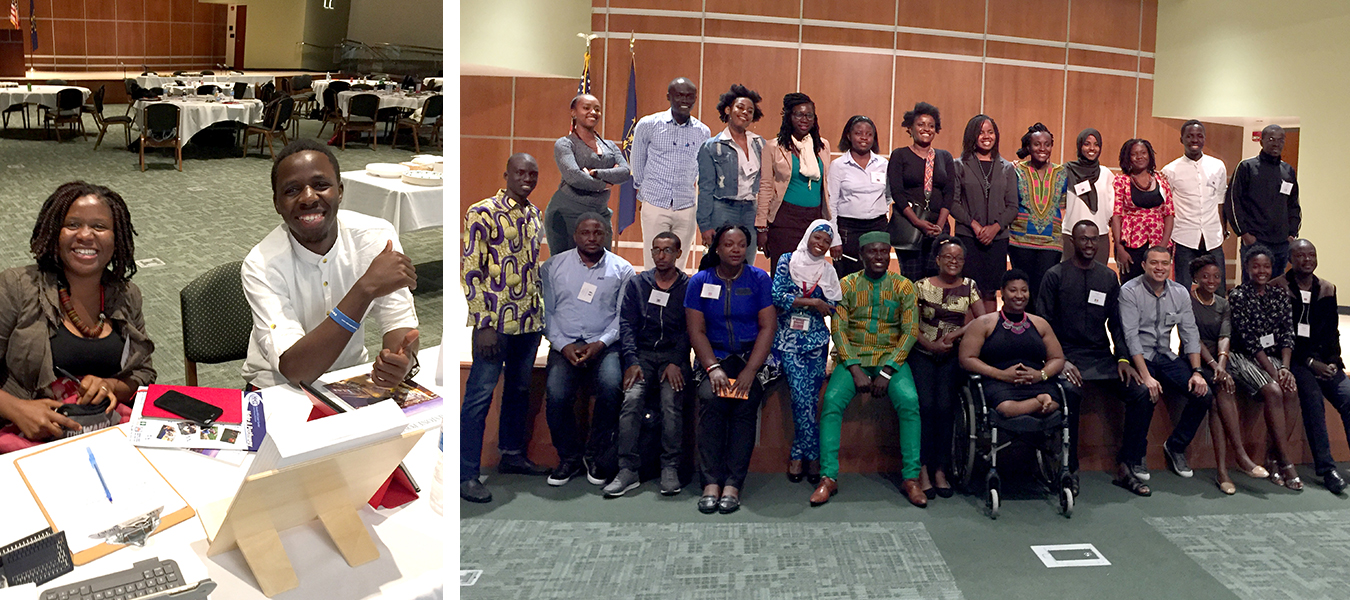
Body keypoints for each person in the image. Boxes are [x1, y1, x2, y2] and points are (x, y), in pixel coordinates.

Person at [242, 139, 419, 392]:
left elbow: (398, 321)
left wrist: (401, 361)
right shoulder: (261, 264)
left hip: (350, 380)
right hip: (277, 388)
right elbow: (296, 371)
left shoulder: (376, 237)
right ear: (277, 204)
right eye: (292, 190)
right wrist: (364, 288)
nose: (308, 197)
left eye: (321, 185)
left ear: (341, 191)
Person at [0, 182, 154, 452]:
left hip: (105, 436)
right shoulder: (17, 286)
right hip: (29, 443)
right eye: (72, 225)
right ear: (53, 232)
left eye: (99, 227)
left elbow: (143, 373)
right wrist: (17, 409)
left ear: (116, 238)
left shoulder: (127, 295)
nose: (85, 235)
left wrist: (110, 386)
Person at [810, 231, 926, 508]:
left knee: (910, 402)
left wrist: (887, 372)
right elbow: (838, 329)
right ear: (861, 255)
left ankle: (911, 478)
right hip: (855, 359)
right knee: (831, 403)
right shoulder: (847, 285)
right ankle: (828, 477)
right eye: (872, 252)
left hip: (891, 359)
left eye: (884, 252)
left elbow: (909, 332)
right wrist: (853, 367)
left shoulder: (904, 286)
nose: (879, 257)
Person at [460, 153, 550, 504]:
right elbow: (470, 270)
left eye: (533, 173)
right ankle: (467, 473)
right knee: (478, 398)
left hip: (528, 322)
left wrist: (540, 317)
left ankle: (511, 454)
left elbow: (531, 266)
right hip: (494, 324)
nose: (527, 178)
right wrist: (482, 323)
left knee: (519, 390)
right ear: (506, 174)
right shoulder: (481, 211)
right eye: (520, 172)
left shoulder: (534, 213)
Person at [1038, 220, 1151, 495]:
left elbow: (1117, 324)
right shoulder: (1055, 275)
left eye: (1094, 239)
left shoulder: (1107, 277)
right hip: (1066, 357)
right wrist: (1059, 361)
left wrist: (1123, 359)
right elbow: (1043, 325)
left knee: (1141, 393)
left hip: (1101, 356)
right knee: (1071, 394)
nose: (1089, 244)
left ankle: (1128, 465)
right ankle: (1071, 468)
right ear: (1073, 242)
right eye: (1083, 239)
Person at [686, 224, 777, 514]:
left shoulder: (760, 279)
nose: (736, 249)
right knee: (711, 401)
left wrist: (751, 370)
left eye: (741, 244)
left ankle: (734, 484)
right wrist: (712, 367)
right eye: (729, 244)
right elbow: (696, 331)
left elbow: (767, 327)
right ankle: (711, 482)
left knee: (745, 405)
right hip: (714, 356)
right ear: (717, 248)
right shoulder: (699, 281)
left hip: (753, 357)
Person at [541, 213, 634, 487]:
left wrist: (600, 343)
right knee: (556, 395)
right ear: (575, 236)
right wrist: (562, 345)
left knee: (611, 386)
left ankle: (596, 454)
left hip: (604, 345)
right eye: (585, 232)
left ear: (606, 235)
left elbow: (623, 317)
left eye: (597, 232)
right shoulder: (553, 267)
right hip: (564, 344)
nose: (591, 238)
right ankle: (569, 457)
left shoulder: (622, 269)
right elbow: (546, 313)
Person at [1118, 246, 1214, 486]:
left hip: (1166, 355)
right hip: (1140, 356)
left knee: (1203, 394)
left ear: (1170, 264)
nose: (1159, 268)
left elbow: (1190, 333)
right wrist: (1146, 376)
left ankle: (1175, 446)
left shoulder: (1180, 292)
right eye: (1154, 263)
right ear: (1144, 265)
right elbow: (1130, 337)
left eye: (1164, 263)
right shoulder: (1129, 291)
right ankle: (1136, 455)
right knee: (1143, 393)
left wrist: (1197, 372)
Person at [605, 231, 690, 498]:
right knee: (632, 399)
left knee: (670, 402)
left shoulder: (688, 286)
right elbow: (627, 324)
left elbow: (691, 329)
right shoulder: (638, 284)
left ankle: (670, 467)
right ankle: (627, 468)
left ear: (678, 253)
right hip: (641, 355)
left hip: (672, 359)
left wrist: (677, 361)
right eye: (656, 250)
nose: (661, 255)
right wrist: (630, 361)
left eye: (667, 250)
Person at [911, 236, 984, 498]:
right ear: (938, 260)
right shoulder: (920, 286)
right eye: (948, 257)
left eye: (959, 258)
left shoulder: (969, 286)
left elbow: (983, 321)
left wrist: (954, 336)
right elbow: (910, 325)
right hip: (922, 353)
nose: (953, 262)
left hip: (953, 357)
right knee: (925, 407)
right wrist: (931, 346)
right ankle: (922, 469)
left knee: (945, 408)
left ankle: (940, 469)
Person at [1189, 255, 1268, 495]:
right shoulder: (1188, 301)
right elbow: (1193, 337)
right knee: (1218, 393)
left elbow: (1225, 336)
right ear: (1195, 278)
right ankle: (1239, 458)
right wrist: (1215, 366)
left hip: (1220, 360)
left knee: (1222, 393)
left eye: (1216, 276)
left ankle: (1225, 470)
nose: (1211, 281)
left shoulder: (1223, 303)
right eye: (1205, 276)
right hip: (1194, 357)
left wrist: (1222, 364)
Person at [1276, 240, 1350, 493]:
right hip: (1295, 361)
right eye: (1300, 255)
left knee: (1348, 397)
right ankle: (1327, 469)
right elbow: (1280, 336)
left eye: (1311, 255)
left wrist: (1333, 362)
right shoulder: (1279, 288)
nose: (1307, 260)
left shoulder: (1327, 288)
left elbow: (1332, 332)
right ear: (1291, 259)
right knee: (1313, 400)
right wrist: (1310, 363)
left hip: (1324, 361)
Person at [772, 220, 841, 484]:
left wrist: (823, 303)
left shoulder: (828, 270)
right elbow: (776, 295)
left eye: (826, 241)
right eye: (817, 237)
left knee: (810, 400)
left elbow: (833, 304)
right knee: (801, 398)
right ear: (807, 236)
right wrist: (812, 301)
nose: (821, 244)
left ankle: (798, 453)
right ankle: (811, 456)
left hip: (816, 341)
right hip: (789, 340)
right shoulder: (787, 260)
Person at [1228, 244, 1302, 490]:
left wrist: (1285, 368)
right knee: (1274, 390)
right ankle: (1286, 460)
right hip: (1245, 357)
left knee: (1290, 390)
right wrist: (1274, 373)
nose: (1262, 271)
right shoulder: (1238, 296)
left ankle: (1273, 457)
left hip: (1274, 358)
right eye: (1256, 266)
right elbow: (1249, 342)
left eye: (1266, 266)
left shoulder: (1279, 294)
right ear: (1247, 268)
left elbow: (1287, 334)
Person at [959, 269, 1065, 418]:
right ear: (1002, 292)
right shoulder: (984, 323)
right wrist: (1001, 375)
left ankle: (1039, 401)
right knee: (1007, 409)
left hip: (1036, 382)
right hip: (998, 383)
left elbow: (1057, 358)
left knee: (1055, 404)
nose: (1019, 296)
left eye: (1024, 291)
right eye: (1013, 290)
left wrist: (1040, 375)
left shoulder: (1040, 324)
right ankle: (1038, 402)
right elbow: (966, 358)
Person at [756, 92, 840, 273]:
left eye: (809, 115)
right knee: (784, 272)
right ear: (789, 117)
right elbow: (765, 186)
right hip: (785, 219)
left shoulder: (822, 146)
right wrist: (762, 227)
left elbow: (825, 186)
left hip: (814, 218)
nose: (805, 119)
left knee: (810, 272)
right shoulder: (773, 147)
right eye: (799, 114)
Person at [631, 77, 710, 270]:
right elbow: (637, 161)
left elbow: (700, 169)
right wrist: (645, 193)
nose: (685, 100)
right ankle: (652, 300)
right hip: (655, 202)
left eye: (689, 96)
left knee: (679, 264)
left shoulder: (703, 131)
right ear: (669, 96)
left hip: (686, 205)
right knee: (653, 262)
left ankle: (673, 300)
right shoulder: (648, 124)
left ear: (695, 99)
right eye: (679, 95)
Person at [544, 93, 631, 255]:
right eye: (586, 108)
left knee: (600, 267)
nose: (593, 112)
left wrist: (596, 173)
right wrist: (604, 184)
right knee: (565, 268)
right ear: (573, 112)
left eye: (597, 109)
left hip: (600, 213)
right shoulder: (565, 144)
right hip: (566, 213)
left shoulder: (610, 146)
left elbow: (625, 172)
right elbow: (574, 177)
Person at [950, 114, 1017, 314]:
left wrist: (994, 228)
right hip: (968, 236)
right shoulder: (959, 165)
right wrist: (976, 226)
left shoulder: (1006, 168)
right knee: (968, 290)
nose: (986, 136)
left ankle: (989, 337)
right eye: (980, 132)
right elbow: (953, 203)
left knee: (989, 292)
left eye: (990, 132)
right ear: (972, 135)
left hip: (997, 238)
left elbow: (1013, 206)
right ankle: (969, 339)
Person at [887, 102, 954, 279]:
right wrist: (917, 222)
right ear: (910, 128)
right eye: (921, 124)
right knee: (912, 280)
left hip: (938, 228)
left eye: (931, 126)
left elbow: (949, 193)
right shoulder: (900, 155)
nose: (926, 129)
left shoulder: (944, 157)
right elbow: (897, 193)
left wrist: (939, 224)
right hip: (910, 227)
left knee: (937, 280)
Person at [1224, 124, 1300, 281]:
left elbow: (1294, 205)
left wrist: (1292, 234)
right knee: (1252, 289)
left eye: (1280, 140)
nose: (1276, 143)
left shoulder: (1288, 171)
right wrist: (1244, 234)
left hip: (1281, 244)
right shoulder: (1247, 167)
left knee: (1277, 289)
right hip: (1255, 241)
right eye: (1271, 139)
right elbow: (1232, 202)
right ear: (1261, 141)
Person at [1161, 121, 1228, 292]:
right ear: (1181, 139)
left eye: (1199, 136)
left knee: (1218, 289)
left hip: (1212, 237)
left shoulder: (1218, 166)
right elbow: (1166, 207)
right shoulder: (1170, 170)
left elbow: (1221, 199)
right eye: (1189, 136)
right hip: (1184, 237)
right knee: (1182, 289)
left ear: (1204, 138)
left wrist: (1223, 227)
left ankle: (1217, 319)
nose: (1194, 140)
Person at [697, 84, 765, 252]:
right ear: (728, 110)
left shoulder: (760, 144)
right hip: (722, 209)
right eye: (740, 107)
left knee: (747, 261)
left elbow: (766, 183)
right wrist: (704, 224)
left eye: (750, 111)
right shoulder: (712, 146)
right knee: (720, 261)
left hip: (750, 209)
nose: (745, 113)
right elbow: (705, 188)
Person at [1009, 123, 1068, 309]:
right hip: (1021, 240)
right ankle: (1020, 329)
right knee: (1022, 288)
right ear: (1028, 147)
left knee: (1045, 289)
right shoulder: (1016, 170)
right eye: (1037, 144)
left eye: (1047, 144)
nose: (1042, 149)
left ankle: (1041, 330)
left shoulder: (1062, 172)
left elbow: (1063, 205)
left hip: (1051, 242)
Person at [827, 115, 891, 279]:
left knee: (876, 274)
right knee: (848, 276)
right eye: (859, 133)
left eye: (869, 134)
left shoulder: (883, 164)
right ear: (849, 135)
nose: (864, 137)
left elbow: (889, 196)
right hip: (849, 229)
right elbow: (831, 205)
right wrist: (835, 239)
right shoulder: (838, 165)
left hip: (878, 225)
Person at [1110, 139, 1174, 283]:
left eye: (1143, 153)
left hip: (1158, 241)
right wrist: (1119, 248)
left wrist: (1163, 247)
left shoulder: (1162, 181)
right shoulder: (1121, 181)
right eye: (1134, 154)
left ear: (1150, 155)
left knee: (1156, 284)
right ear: (1128, 158)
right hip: (1131, 243)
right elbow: (1116, 215)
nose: (1140, 157)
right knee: (1131, 284)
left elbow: (1169, 214)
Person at [1060, 128, 1113, 265]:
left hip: (1099, 237)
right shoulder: (1066, 171)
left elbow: (1112, 208)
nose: (1092, 148)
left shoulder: (1106, 173)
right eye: (1087, 144)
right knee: (1069, 282)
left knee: (1097, 282)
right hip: (1071, 237)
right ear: (1080, 146)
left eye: (1096, 144)